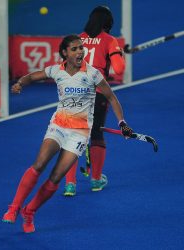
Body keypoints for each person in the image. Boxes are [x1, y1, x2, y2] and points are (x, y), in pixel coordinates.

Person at [2, 34, 133, 233]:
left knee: (55, 177)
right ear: (65, 53)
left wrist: (122, 123)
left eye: (81, 48)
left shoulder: (92, 74)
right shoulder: (56, 70)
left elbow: (112, 98)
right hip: (59, 125)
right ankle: (13, 208)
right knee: (39, 164)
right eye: (75, 49)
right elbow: (32, 76)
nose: (80, 51)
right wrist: (20, 83)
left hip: (79, 133)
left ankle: (30, 211)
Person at [63, 6, 126, 196]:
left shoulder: (76, 39)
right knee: (96, 135)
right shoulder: (109, 40)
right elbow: (119, 69)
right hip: (97, 93)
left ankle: (70, 185)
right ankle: (96, 180)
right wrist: (118, 54)